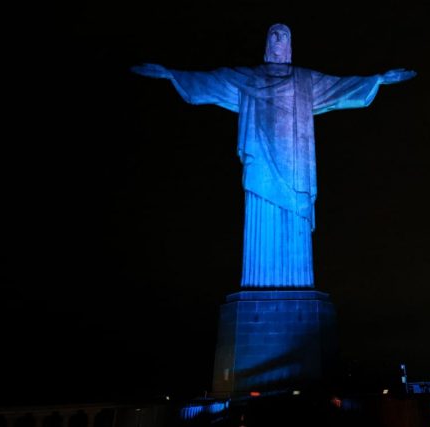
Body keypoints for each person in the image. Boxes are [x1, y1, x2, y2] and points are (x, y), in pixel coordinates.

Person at [132, 23, 415, 288]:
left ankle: (296, 285)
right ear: (266, 45)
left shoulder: (306, 80)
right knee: (260, 220)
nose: (278, 39)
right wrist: (172, 74)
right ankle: (258, 283)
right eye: (273, 35)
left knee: (295, 224)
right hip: (262, 167)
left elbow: (340, 87)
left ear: (290, 47)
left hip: (295, 167)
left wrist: (377, 80)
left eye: (284, 35)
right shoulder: (249, 78)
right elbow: (212, 81)